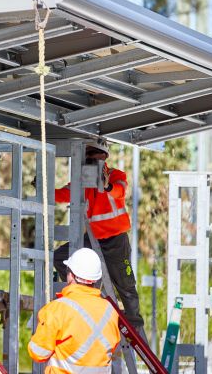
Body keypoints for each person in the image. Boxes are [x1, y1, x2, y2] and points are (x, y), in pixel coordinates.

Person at [53, 143, 145, 334]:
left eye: (97, 159)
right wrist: (44, 189)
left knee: (125, 283)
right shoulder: (83, 182)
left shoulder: (116, 176)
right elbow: (64, 194)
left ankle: (134, 323)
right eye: (90, 159)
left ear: (104, 160)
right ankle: (91, 300)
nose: (93, 162)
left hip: (116, 240)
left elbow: (119, 191)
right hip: (93, 240)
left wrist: (107, 185)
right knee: (60, 257)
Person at [28, 248, 120, 373]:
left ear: (71, 275)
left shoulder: (57, 309)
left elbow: (38, 353)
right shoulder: (110, 311)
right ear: (95, 279)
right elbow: (111, 347)